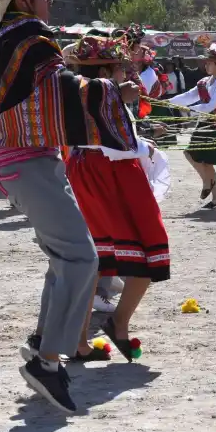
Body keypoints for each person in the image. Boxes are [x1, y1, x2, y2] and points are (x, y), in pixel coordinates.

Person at [0, 0, 142, 413]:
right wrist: (113, 92)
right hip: (29, 162)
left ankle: (40, 343)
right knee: (81, 257)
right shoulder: (29, 37)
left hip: (24, 162)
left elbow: (46, 93)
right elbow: (61, 91)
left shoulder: (7, 36)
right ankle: (47, 361)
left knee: (65, 256)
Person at [64, 35, 171, 363]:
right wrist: (140, 143)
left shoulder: (81, 87)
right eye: (120, 66)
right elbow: (114, 141)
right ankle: (116, 324)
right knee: (146, 249)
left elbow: (109, 130)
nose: (126, 72)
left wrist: (141, 139)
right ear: (107, 68)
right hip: (111, 174)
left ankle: (84, 338)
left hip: (92, 170)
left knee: (98, 257)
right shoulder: (95, 88)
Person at [169, 44, 216, 209]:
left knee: (198, 157)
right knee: (197, 157)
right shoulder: (205, 81)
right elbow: (190, 95)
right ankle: (214, 194)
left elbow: (209, 107)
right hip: (204, 123)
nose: (206, 65)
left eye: (210, 63)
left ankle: (209, 186)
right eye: (207, 62)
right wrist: (169, 102)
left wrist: (188, 111)